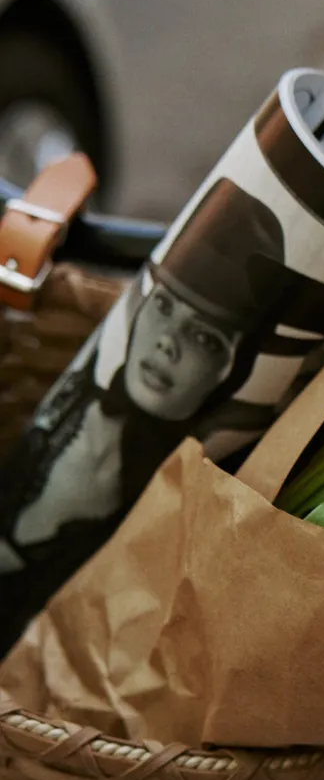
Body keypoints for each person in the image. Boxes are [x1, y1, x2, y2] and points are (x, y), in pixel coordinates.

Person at [0, 179, 286, 651]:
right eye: (165, 306)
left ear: (231, 370)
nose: (168, 340)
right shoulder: (72, 405)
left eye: (205, 338)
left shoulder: (206, 503)